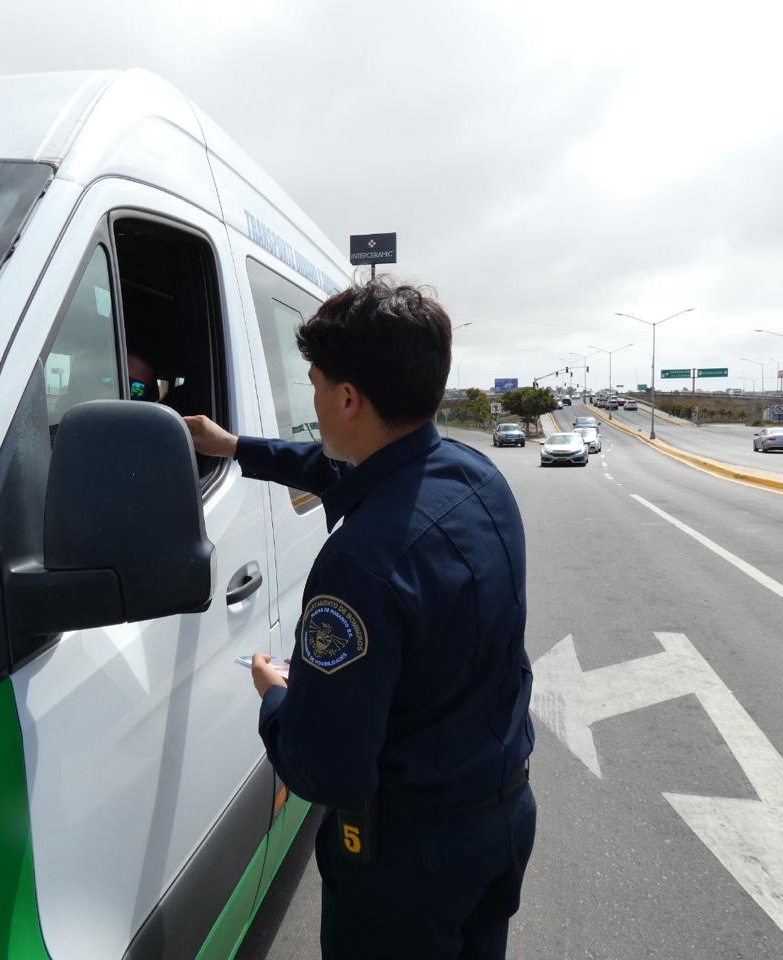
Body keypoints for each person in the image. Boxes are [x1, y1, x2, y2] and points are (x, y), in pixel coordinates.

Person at [185, 280, 535, 960]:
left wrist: (277, 696)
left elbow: (328, 771)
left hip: (409, 866)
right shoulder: (473, 475)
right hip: (499, 822)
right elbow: (331, 466)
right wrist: (232, 448)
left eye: (314, 385)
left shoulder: (362, 564)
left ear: (348, 399)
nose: (311, 404)